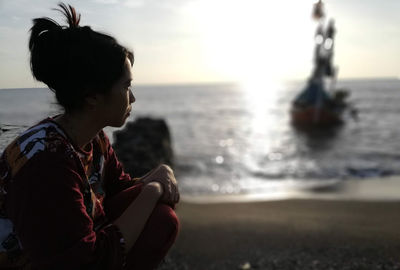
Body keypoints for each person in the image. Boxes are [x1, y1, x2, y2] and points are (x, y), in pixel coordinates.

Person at [0, 3, 179, 270]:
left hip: (67, 249)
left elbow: (117, 188)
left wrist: (157, 174)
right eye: (126, 86)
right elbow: (85, 262)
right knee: (159, 216)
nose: (132, 98)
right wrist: (152, 189)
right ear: (92, 96)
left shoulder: (92, 139)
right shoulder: (47, 164)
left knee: (160, 217)